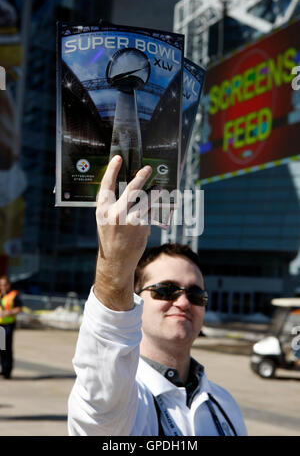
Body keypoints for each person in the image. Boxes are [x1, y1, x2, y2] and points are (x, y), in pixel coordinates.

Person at [68, 156, 247, 436]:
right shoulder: (121, 401)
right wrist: (115, 265)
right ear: (137, 299)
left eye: (196, 294)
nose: (184, 302)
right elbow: (103, 374)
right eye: (165, 290)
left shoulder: (224, 403)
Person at [0, 275, 23, 379]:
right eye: (1, 285)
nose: (2, 286)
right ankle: (3, 369)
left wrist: (9, 312)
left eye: (4, 284)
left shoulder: (14, 295)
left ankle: (7, 371)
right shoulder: (0, 295)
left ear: (8, 285)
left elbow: (19, 308)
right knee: (1, 348)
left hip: (8, 325)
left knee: (6, 349)